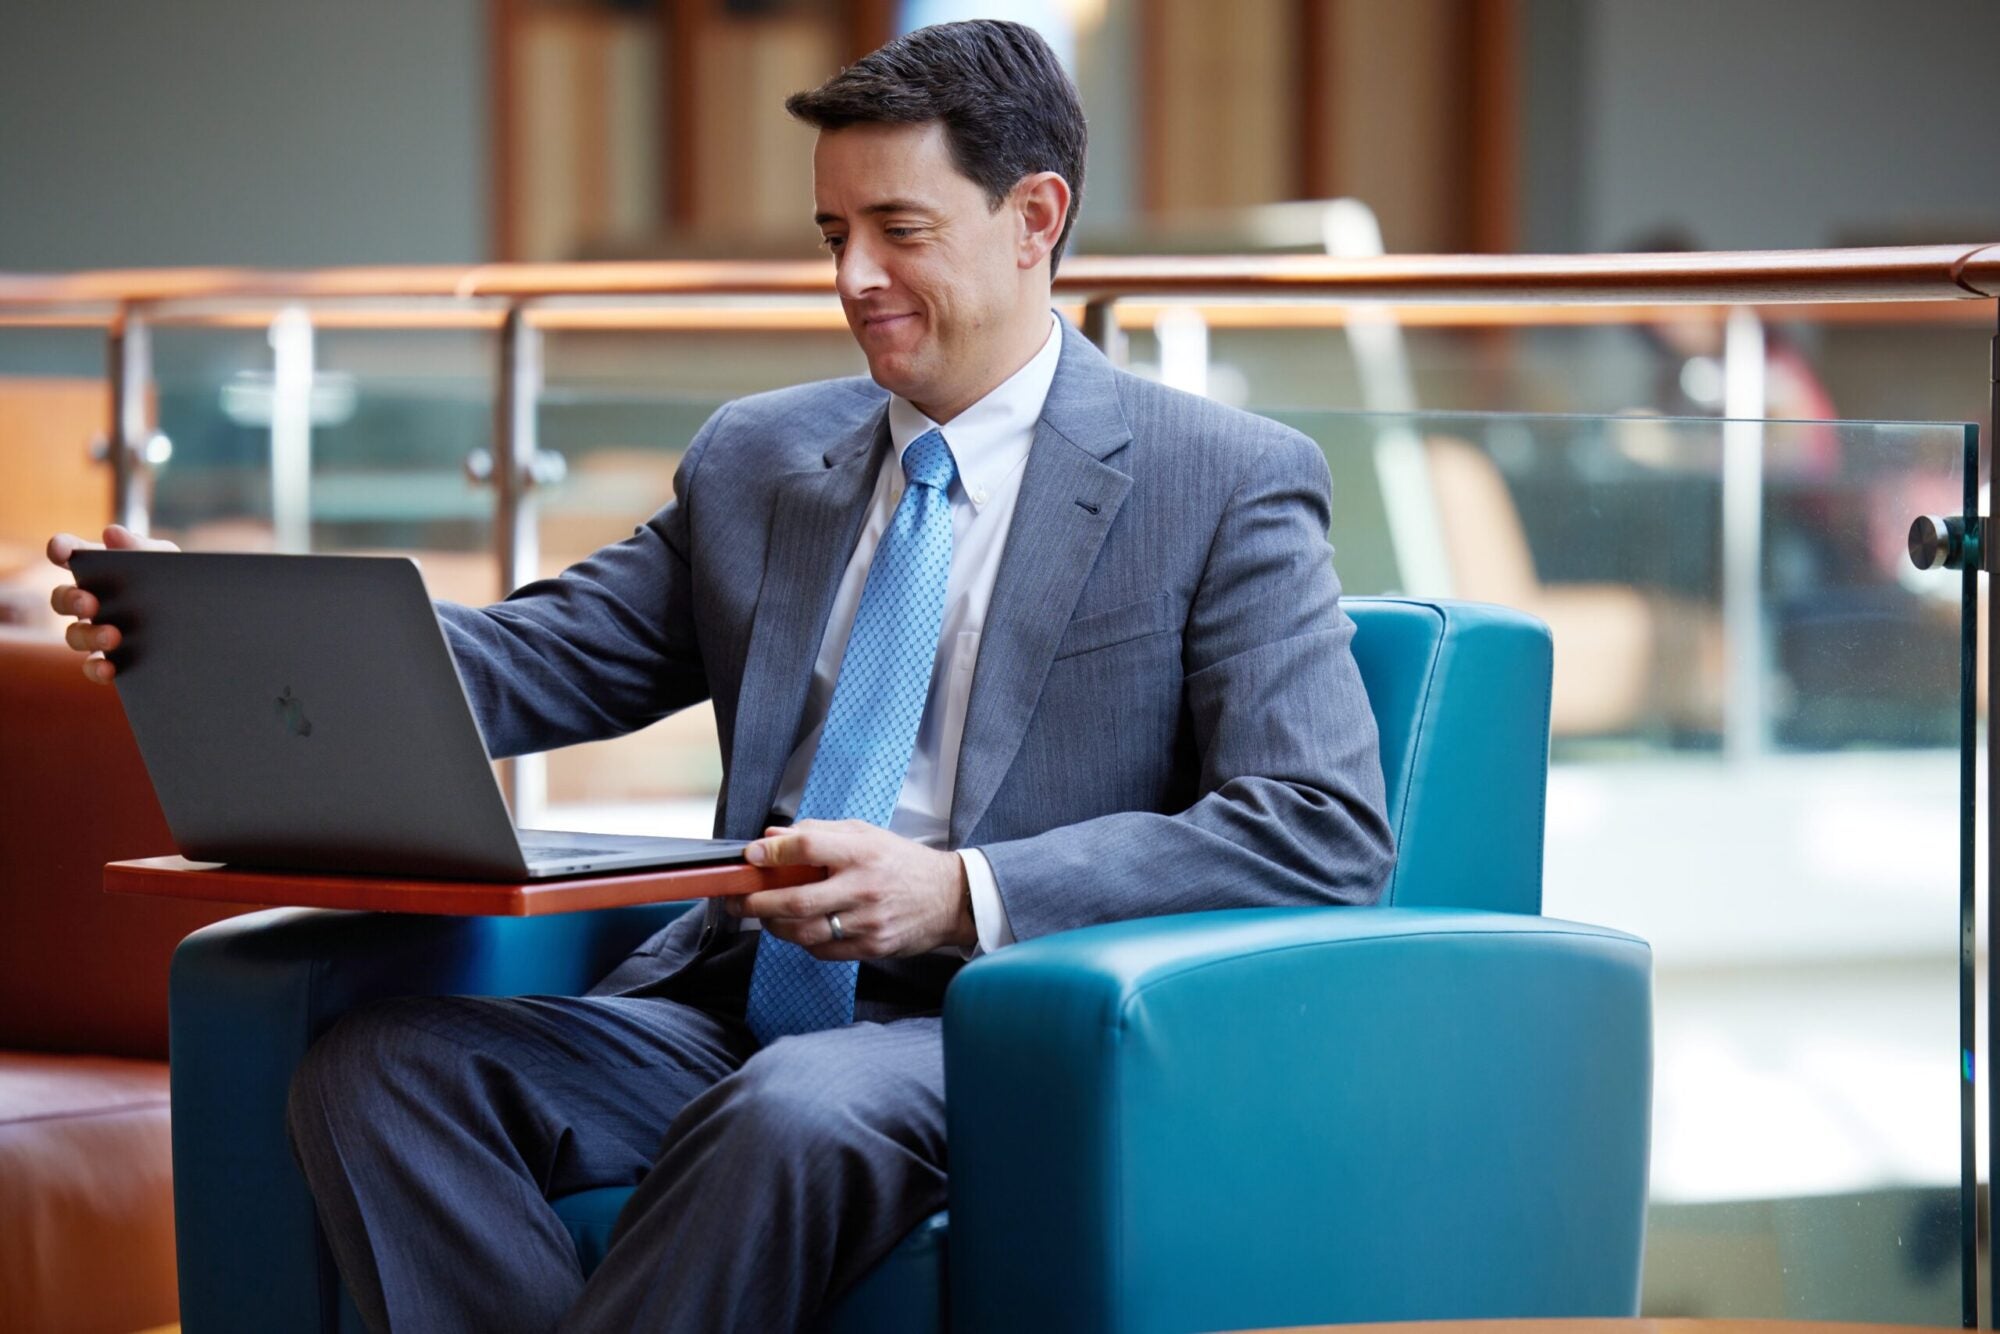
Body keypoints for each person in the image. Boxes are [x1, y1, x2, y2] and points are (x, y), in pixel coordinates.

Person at [46, 20, 1393, 1333]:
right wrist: (224, 627)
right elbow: (538, 655)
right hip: (732, 997)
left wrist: (955, 892)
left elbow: (1322, 829)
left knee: (790, 1111)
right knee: (379, 1073)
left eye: (898, 229)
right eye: (832, 235)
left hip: (993, 1022)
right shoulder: (759, 460)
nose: (853, 274)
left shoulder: (1221, 481)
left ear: (1035, 215)